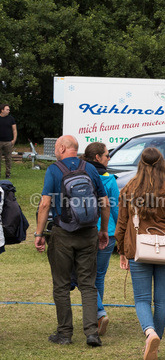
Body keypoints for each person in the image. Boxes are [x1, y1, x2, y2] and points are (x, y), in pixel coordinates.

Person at [36, 135, 110, 347]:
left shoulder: (54, 170)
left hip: (62, 234)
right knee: (88, 285)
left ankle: (65, 333)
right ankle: (91, 333)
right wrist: (103, 230)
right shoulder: (91, 169)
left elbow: (44, 204)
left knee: (61, 285)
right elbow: (105, 203)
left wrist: (39, 234)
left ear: (60, 148)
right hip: (88, 233)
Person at [115, 147, 165, 360]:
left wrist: (122, 249)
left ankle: (149, 334)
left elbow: (122, 224)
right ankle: (155, 340)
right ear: (162, 164)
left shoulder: (129, 189)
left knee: (142, 299)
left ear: (141, 164)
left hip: (138, 249)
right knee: (162, 301)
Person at [83, 142, 118, 337]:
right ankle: (98, 314)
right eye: (106, 155)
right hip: (108, 232)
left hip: (85, 231)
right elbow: (115, 208)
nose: (109, 158)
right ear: (97, 157)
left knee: (85, 276)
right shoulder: (110, 180)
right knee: (99, 277)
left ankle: (99, 312)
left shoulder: (81, 175)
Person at [0, 103, 16, 178]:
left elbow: (14, 130)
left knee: (8, 158)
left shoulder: (11, 119)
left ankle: (8, 174)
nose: (9, 111)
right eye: (7, 109)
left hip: (8, 142)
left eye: (9, 110)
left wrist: (14, 140)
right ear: (2, 110)